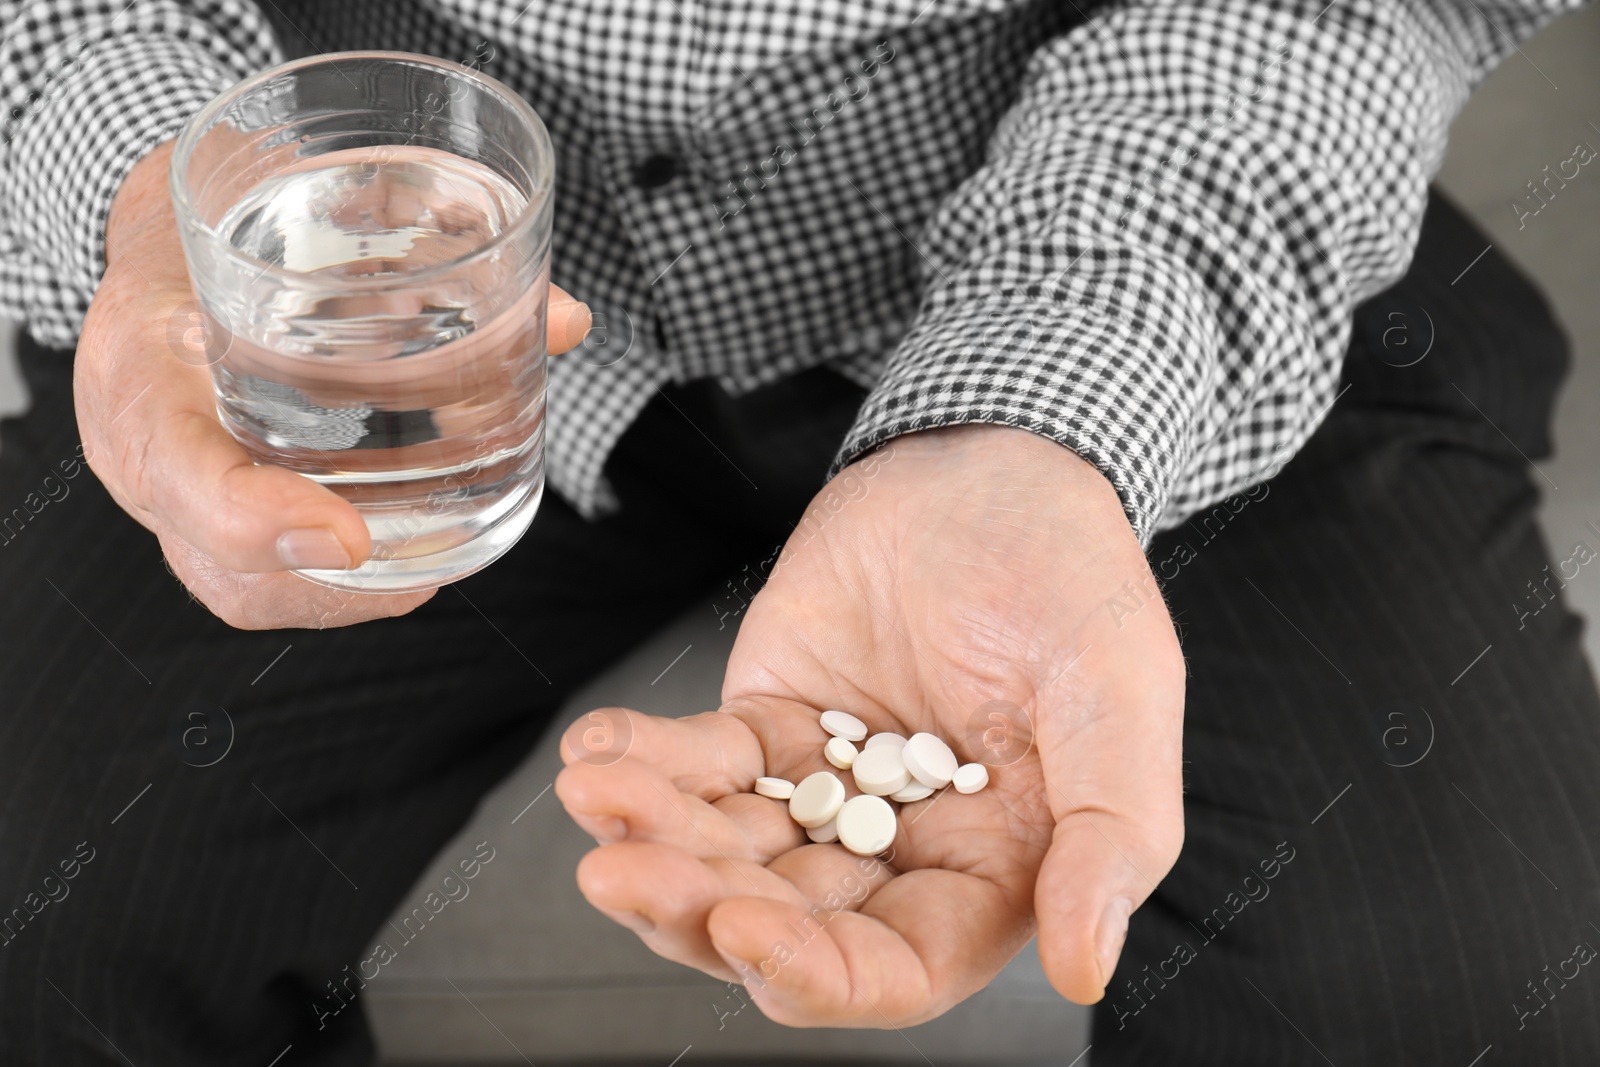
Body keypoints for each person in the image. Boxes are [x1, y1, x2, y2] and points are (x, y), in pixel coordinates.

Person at [2, 0, 1597, 1064]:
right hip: (393, 318)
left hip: (1129, 267)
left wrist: (1038, 414)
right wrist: (165, 204)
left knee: (1447, 984)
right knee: (42, 930)